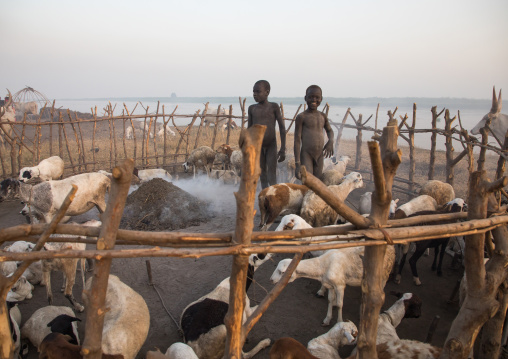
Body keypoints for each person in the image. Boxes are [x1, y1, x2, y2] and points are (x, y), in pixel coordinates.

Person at [248, 80, 286, 188]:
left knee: (272, 174)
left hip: (271, 145)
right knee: (262, 173)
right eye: (253, 92)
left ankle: (273, 196)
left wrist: (283, 149)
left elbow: (282, 128)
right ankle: (264, 197)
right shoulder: (252, 108)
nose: (255, 94)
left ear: (267, 92)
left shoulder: (273, 107)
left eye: (258, 91)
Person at [294, 85, 334, 180]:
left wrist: (331, 141)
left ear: (321, 99)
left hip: (319, 155)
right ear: (305, 98)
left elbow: (330, 131)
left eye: (317, 97)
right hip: (306, 154)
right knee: (308, 181)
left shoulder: (322, 116)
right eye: (311, 97)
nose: (314, 100)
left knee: (318, 182)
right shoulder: (302, 117)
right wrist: (297, 164)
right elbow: (297, 141)